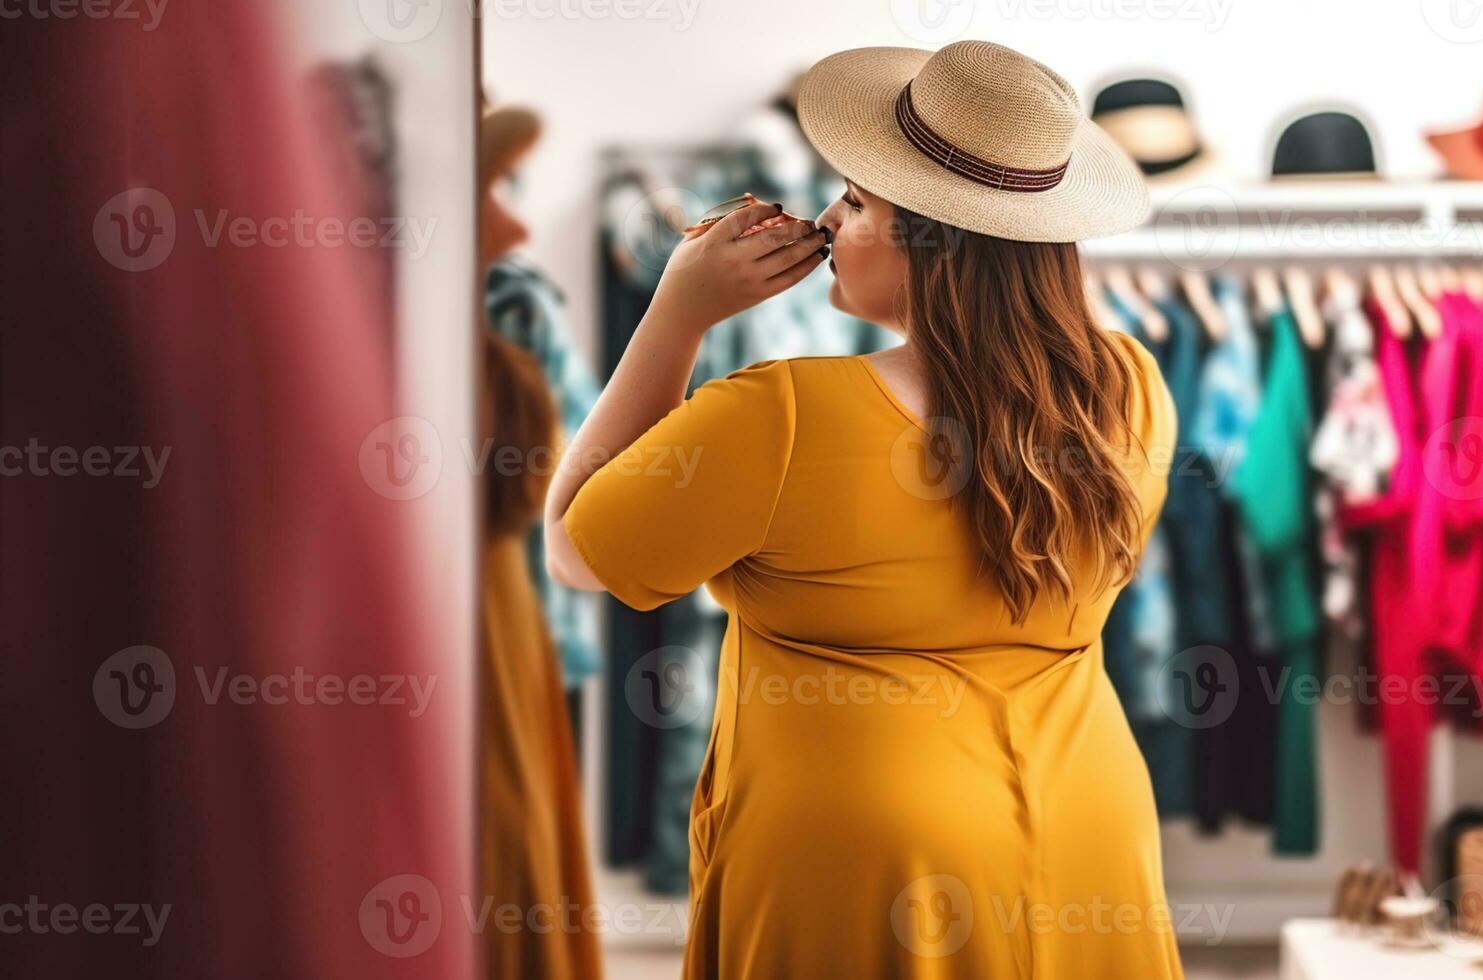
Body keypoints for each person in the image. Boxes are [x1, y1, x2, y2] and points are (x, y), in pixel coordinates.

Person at [545, 41, 1183, 978]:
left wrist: (674, 315)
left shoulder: (781, 414)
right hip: (1088, 820)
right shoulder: (1131, 386)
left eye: (853, 200)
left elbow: (573, 548)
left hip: (870, 861)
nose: (827, 221)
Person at [478, 104, 603, 980]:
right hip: (510, 629)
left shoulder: (504, 300)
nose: (520, 222)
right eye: (489, 187)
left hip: (519, 628)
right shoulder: (511, 301)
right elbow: (592, 485)